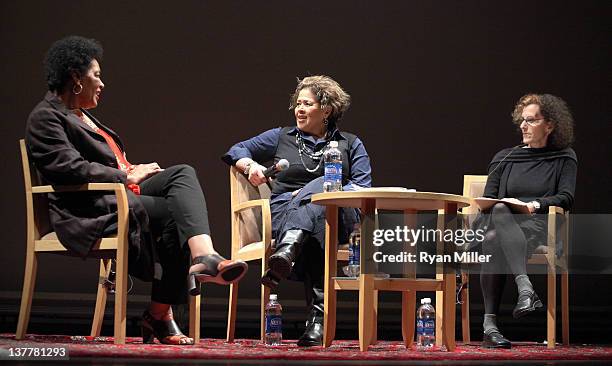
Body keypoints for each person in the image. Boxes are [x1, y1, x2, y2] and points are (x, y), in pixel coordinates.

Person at [25, 36, 248, 345]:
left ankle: (205, 255)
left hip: (118, 192)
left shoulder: (83, 116)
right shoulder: (45, 117)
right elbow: (68, 168)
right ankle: (160, 314)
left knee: (182, 174)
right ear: (76, 77)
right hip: (89, 207)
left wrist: (129, 171)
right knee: (175, 215)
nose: (102, 84)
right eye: (96, 75)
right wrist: (126, 173)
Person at [222, 75, 372, 346]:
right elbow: (237, 149)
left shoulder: (351, 144)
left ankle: (288, 248)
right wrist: (249, 166)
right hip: (287, 215)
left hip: (339, 218)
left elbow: (362, 186)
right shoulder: (281, 137)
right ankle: (317, 321)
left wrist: (316, 193)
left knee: (326, 185)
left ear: (326, 110)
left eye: (307, 104)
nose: (298, 109)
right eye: (297, 103)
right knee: (317, 225)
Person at [476, 93, 577, 348]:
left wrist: (533, 205)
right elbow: (489, 199)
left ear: (550, 125)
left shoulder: (564, 157)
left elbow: (565, 197)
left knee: (492, 238)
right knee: (496, 218)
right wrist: (498, 206)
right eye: (522, 120)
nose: (523, 126)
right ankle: (525, 289)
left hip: (540, 228)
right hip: (502, 225)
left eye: (531, 120)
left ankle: (490, 326)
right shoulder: (505, 157)